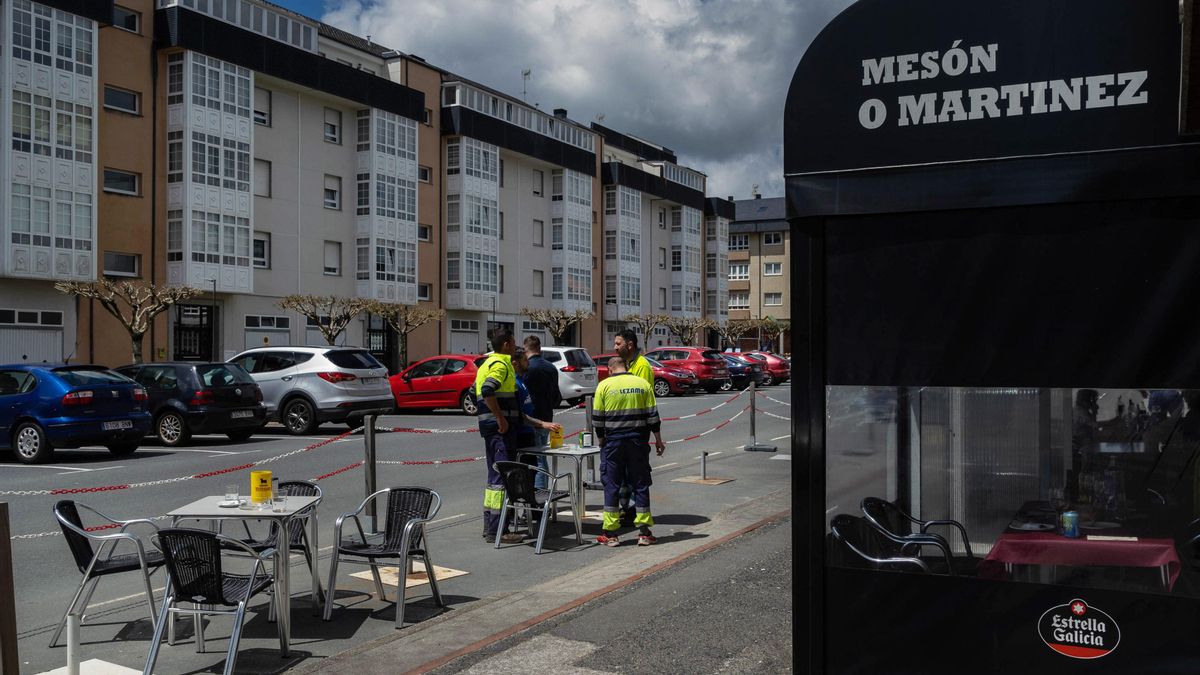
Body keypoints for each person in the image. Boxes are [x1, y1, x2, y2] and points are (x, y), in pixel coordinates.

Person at [476, 328, 561, 544]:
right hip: (501, 432)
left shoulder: (485, 364)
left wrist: (540, 423)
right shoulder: (501, 364)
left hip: (493, 430)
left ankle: (491, 527)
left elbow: (475, 392)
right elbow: (487, 391)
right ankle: (498, 531)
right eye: (514, 343)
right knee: (502, 479)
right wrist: (500, 419)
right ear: (506, 344)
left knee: (494, 480)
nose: (517, 348)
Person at [592, 356, 666, 546]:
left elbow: (598, 420)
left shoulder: (604, 386)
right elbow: (653, 416)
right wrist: (657, 440)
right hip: (638, 441)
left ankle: (611, 534)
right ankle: (644, 533)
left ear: (610, 369)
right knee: (640, 483)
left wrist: (601, 440)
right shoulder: (642, 384)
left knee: (612, 484)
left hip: (613, 443)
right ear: (626, 367)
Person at [612, 329, 654, 525]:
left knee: (635, 474)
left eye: (618, 343)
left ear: (630, 345)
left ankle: (636, 512)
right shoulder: (628, 364)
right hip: (622, 428)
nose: (615, 347)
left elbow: (644, 399)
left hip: (636, 429)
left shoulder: (642, 366)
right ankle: (627, 509)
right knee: (623, 474)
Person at [522, 335, 561, 488]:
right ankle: (542, 493)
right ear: (539, 348)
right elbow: (556, 396)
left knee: (536, 460)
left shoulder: (527, 368)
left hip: (531, 419)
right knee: (541, 456)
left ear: (526, 349)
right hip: (546, 416)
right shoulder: (551, 367)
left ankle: (539, 495)